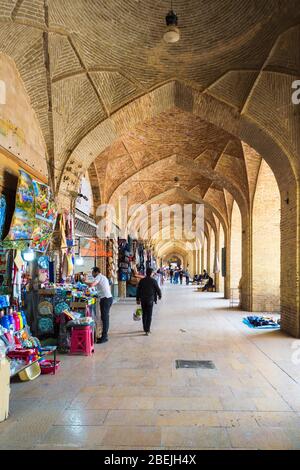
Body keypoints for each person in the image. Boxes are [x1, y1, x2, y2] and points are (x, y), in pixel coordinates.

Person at [89, 267, 113, 344]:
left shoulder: (99, 276)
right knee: (104, 317)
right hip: (107, 298)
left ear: (96, 272)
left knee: (105, 318)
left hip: (105, 299)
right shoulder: (103, 277)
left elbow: (92, 284)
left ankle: (104, 337)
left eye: (93, 272)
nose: (92, 274)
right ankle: (104, 336)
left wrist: (85, 283)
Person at [136, 267, 162, 336]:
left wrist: (137, 299)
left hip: (143, 300)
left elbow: (138, 290)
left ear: (146, 273)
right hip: (150, 300)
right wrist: (160, 296)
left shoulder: (142, 281)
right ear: (151, 273)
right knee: (149, 315)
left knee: (144, 314)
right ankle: (147, 330)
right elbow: (158, 289)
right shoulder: (153, 281)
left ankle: (145, 328)